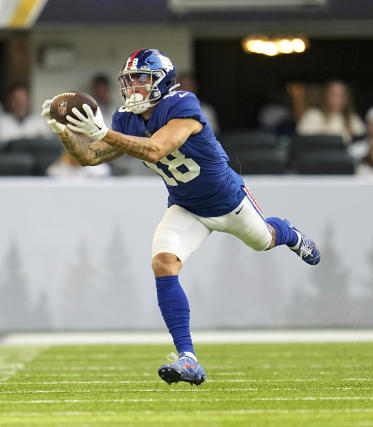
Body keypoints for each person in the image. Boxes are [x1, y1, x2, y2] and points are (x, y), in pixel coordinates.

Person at [41, 49, 320, 386]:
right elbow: (88, 156)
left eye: (141, 79)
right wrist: (63, 132)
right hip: (186, 207)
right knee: (163, 263)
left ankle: (290, 234)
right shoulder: (127, 119)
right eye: (130, 80)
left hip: (228, 202)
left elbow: (157, 149)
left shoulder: (183, 105)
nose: (134, 87)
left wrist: (101, 132)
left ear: (162, 82)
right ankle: (188, 358)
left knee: (265, 240)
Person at [297, 80, 365, 143]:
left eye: (342, 95)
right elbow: (303, 140)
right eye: (334, 94)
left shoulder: (353, 119)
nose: (338, 99)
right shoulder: (313, 115)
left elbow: (360, 141)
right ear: (326, 95)